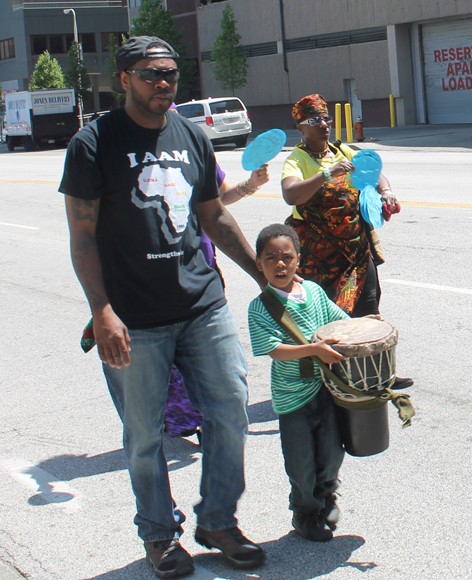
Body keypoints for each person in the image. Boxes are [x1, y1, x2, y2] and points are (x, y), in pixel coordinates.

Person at [60, 36, 266, 579]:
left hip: (202, 304)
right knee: (146, 434)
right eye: (152, 74)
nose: (164, 83)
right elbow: (82, 237)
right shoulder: (93, 143)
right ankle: (159, 535)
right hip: (132, 317)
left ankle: (218, 521)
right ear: (124, 77)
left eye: (171, 74)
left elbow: (213, 216)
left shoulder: (192, 136)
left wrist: (261, 276)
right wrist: (102, 312)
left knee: (230, 410)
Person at [281, 94, 412, 390]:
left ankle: (377, 375)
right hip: (321, 258)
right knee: (326, 323)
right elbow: (291, 194)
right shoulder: (296, 160)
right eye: (314, 121)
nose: (323, 125)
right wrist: (325, 174)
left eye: (326, 119)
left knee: (369, 312)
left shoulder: (343, 150)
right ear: (300, 129)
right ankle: (326, 383)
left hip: (355, 250)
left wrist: (387, 191)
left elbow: (374, 172)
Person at [248, 224, 350, 542]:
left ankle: (327, 495)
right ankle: (305, 513)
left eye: (287, 257)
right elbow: (275, 351)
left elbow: (339, 320)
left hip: (324, 388)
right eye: (271, 258)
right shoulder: (260, 307)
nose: (280, 264)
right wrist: (315, 350)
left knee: (333, 452)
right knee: (301, 460)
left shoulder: (315, 293)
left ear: (298, 260)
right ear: (259, 263)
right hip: (292, 398)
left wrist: (364, 323)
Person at [164, 161, 269, 439]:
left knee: (219, 370)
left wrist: (250, 185)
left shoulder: (191, 143)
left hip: (201, 269)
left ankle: (211, 426)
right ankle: (186, 418)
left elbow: (217, 199)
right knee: (171, 360)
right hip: (154, 281)